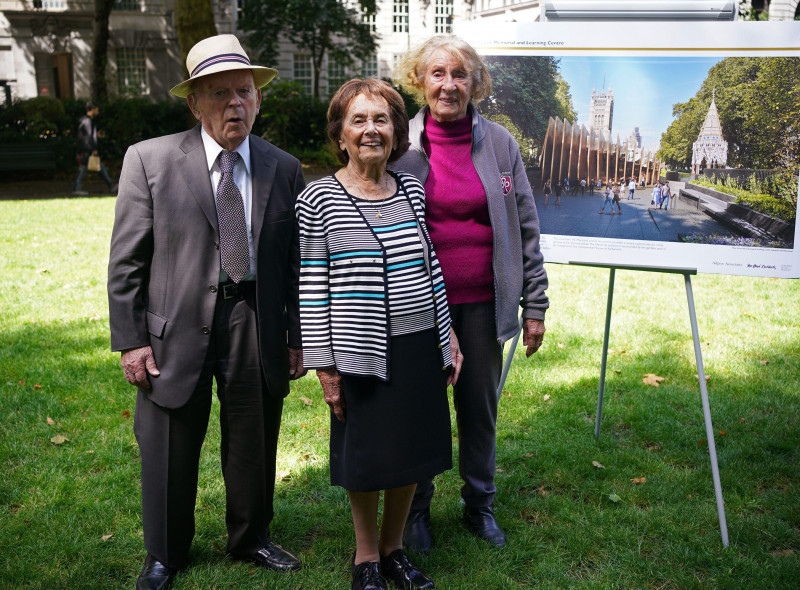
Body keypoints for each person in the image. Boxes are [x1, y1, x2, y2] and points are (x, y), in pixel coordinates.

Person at [107, 35, 305, 590]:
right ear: (194, 103)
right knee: (169, 439)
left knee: (254, 435)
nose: (234, 104)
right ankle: (166, 553)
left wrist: (293, 335)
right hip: (172, 327)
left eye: (244, 91)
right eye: (219, 94)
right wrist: (132, 339)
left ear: (258, 99)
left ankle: (251, 537)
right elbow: (127, 261)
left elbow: (292, 263)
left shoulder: (284, 168)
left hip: (255, 320)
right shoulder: (149, 160)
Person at [297, 78, 463, 590]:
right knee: (366, 458)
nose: (372, 130)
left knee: (411, 452)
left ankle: (394, 551)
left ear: (396, 132)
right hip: (359, 352)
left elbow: (430, 264)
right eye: (359, 120)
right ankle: (366, 557)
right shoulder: (318, 197)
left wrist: (448, 336)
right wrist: (325, 363)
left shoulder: (411, 188)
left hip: (418, 345)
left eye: (382, 119)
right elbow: (312, 284)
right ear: (341, 135)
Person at [394, 35, 549, 552]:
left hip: (483, 303)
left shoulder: (500, 144)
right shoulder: (401, 144)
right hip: (419, 306)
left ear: (474, 82)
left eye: (460, 74)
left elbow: (526, 225)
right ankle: (416, 509)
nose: (449, 85)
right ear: (419, 80)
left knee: (478, 409)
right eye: (438, 74)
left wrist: (535, 305)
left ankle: (479, 504)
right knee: (421, 408)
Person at [72, 102, 116, 195]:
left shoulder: (84, 120)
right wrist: (94, 148)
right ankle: (76, 188)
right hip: (86, 150)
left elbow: (86, 135)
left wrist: (96, 135)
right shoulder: (88, 121)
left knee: (99, 167)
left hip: (84, 149)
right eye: (97, 109)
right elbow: (89, 136)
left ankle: (111, 185)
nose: (98, 111)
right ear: (93, 109)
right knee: (84, 169)